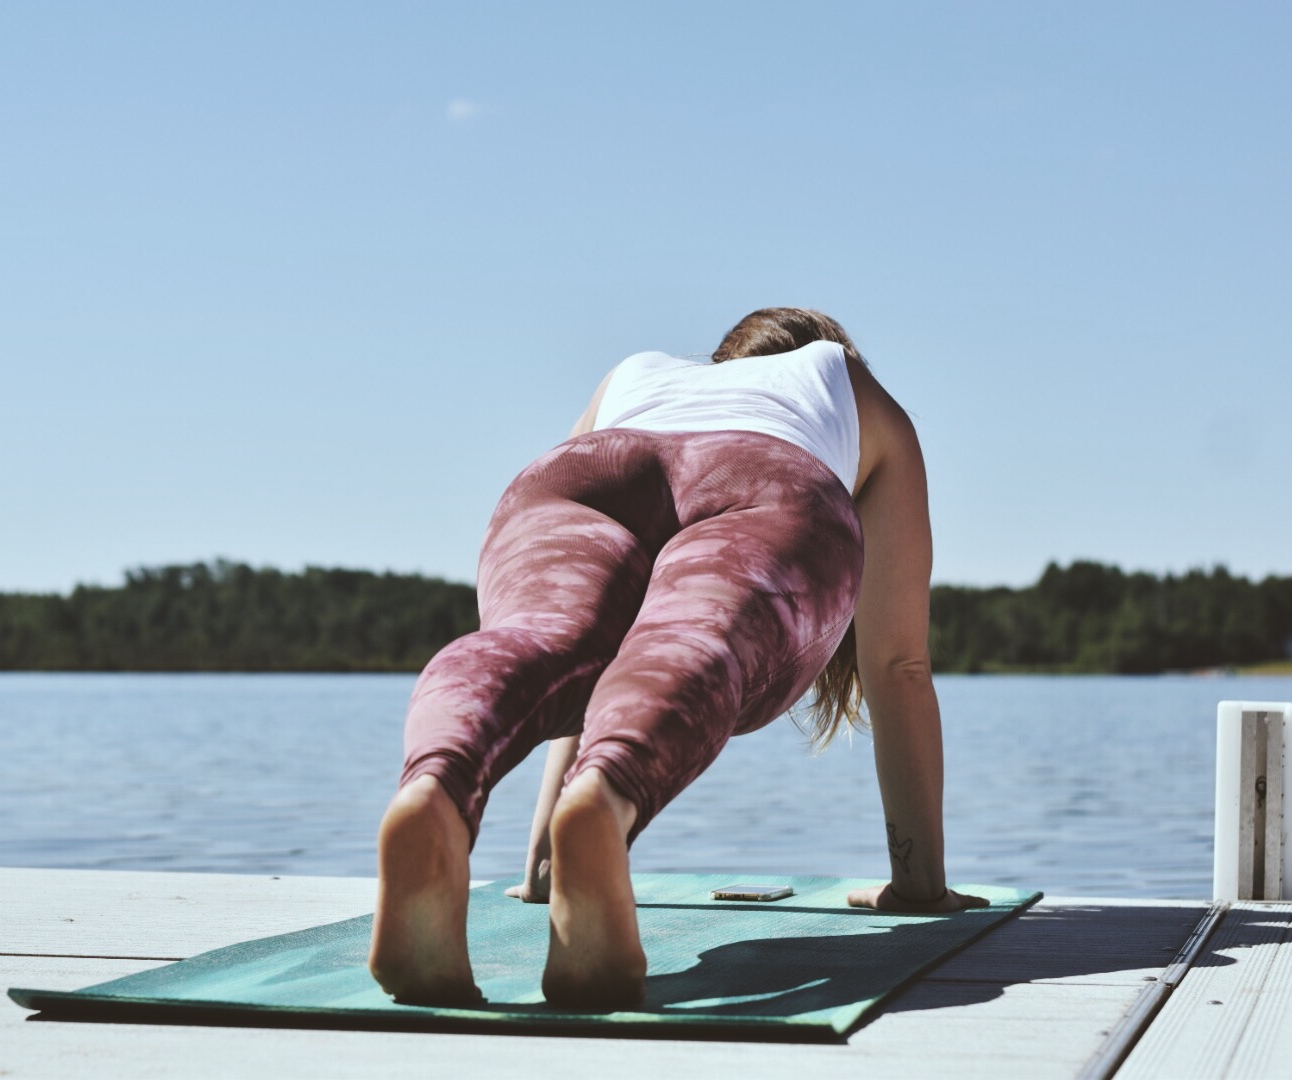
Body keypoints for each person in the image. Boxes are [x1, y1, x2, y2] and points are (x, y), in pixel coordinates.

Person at [367, 307, 989, 1011]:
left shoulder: (637, 372)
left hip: (579, 477)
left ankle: (436, 784)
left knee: (541, 638)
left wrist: (543, 862)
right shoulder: (842, 379)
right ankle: (606, 796)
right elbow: (899, 667)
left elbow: (583, 668)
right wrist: (920, 888)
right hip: (766, 479)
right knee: (694, 642)